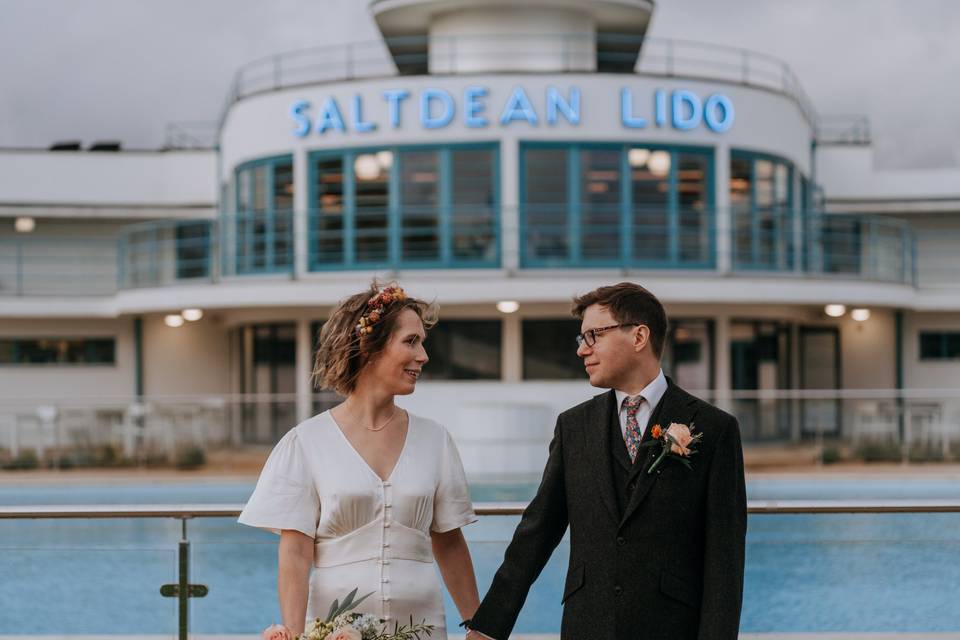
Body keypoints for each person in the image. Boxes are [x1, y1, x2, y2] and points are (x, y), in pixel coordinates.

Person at [467, 282, 747, 640]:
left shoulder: (715, 428)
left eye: (593, 336)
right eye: (581, 339)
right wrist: (489, 625)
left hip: (672, 629)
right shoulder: (573, 427)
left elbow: (725, 559)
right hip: (587, 626)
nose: (583, 350)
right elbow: (538, 530)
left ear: (639, 336)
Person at [239, 282, 480, 639]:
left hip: (423, 627)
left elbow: (449, 542)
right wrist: (292, 632)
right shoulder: (305, 443)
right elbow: (295, 554)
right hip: (334, 631)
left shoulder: (436, 440)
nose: (423, 356)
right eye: (411, 341)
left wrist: (479, 625)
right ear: (370, 346)